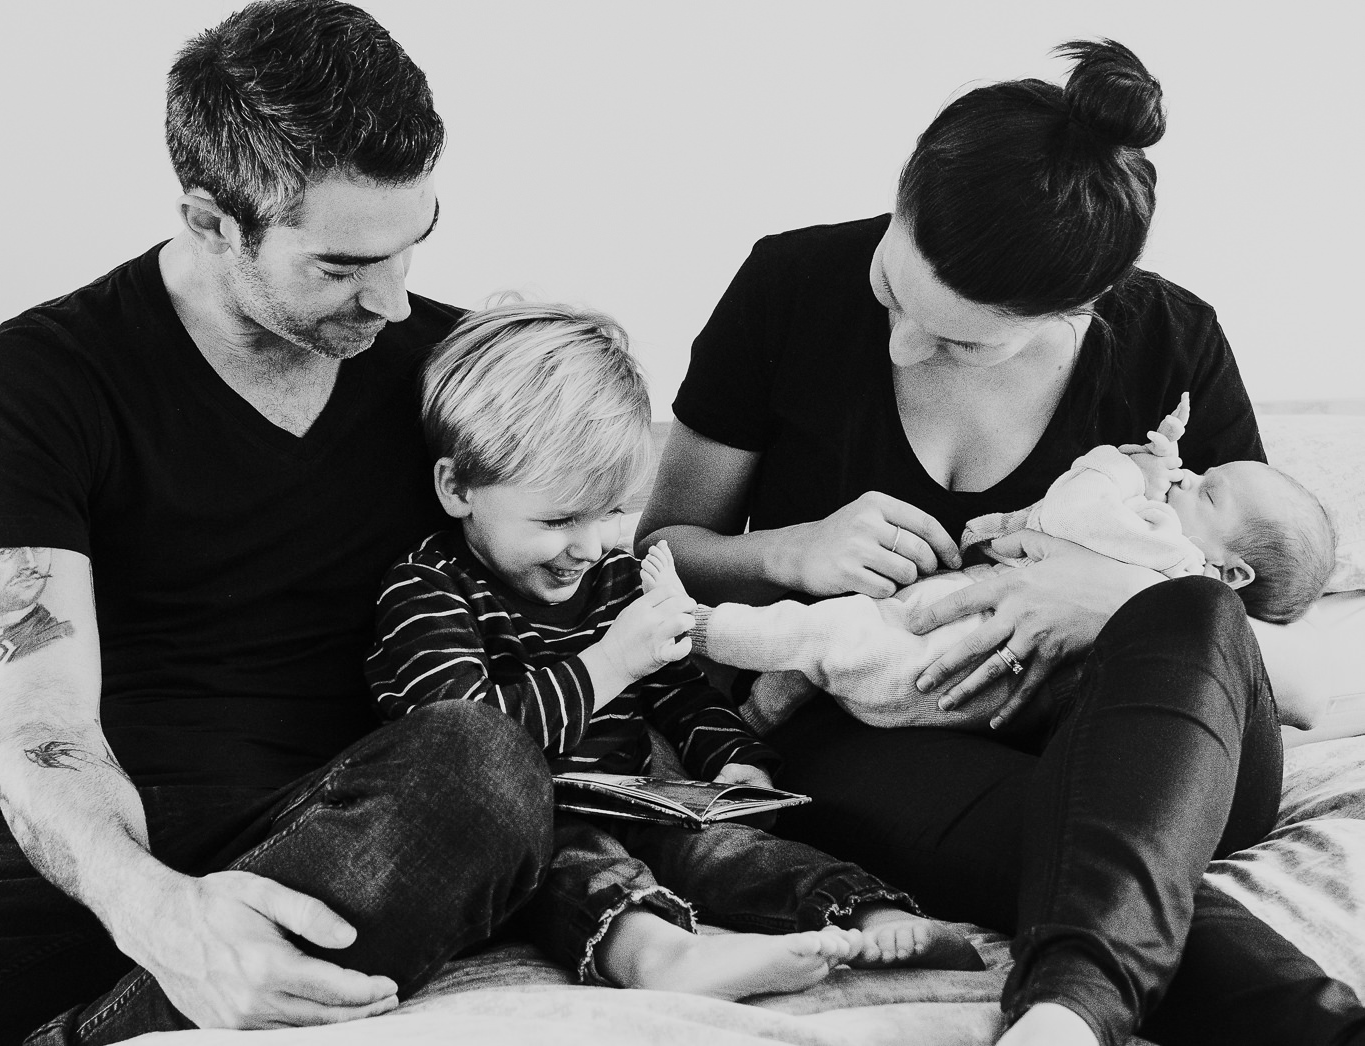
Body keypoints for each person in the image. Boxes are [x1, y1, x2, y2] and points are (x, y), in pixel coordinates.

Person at [635, 39, 1365, 1046]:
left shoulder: (1170, 344)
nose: (903, 345)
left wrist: (1114, 603)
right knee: (1097, 862)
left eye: (960, 339)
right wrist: (786, 554)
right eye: (892, 291)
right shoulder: (789, 285)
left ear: (1079, 311)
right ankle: (1096, 1012)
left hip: (1165, 754)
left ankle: (1077, 999)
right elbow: (660, 555)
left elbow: (1296, 680)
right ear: (901, 194)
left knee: (1189, 606)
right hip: (876, 737)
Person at [0, 0, 554, 1046]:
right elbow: (38, 721)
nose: (393, 302)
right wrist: (159, 914)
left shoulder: (459, 373)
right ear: (210, 220)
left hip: (348, 828)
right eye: (339, 266)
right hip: (97, 837)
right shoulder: (41, 376)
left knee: (484, 766)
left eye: (412, 245)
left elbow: (580, 565)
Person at [366, 301, 983, 1000]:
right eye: (559, 519)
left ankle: (864, 914)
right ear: (457, 488)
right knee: (582, 868)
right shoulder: (428, 591)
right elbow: (460, 748)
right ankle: (658, 957)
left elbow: (679, 690)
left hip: (640, 802)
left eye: (608, 513)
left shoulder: (612, 580)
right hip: (522, 830)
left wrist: (735, 759)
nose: (589, 545)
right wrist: (610, 662)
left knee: (727, 846)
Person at [688, 394, 1336, 734]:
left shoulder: (1171, 550)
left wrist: (1122, 469)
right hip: (978, 673)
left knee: (837, 637)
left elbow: (1078, 509)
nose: (1188, 476)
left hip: (965, 665)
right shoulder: (1174, 543)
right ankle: (750, 728)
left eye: (1209, 491)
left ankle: (698, 630)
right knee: (832, 647)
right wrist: (785, 550)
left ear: (1233, 574)